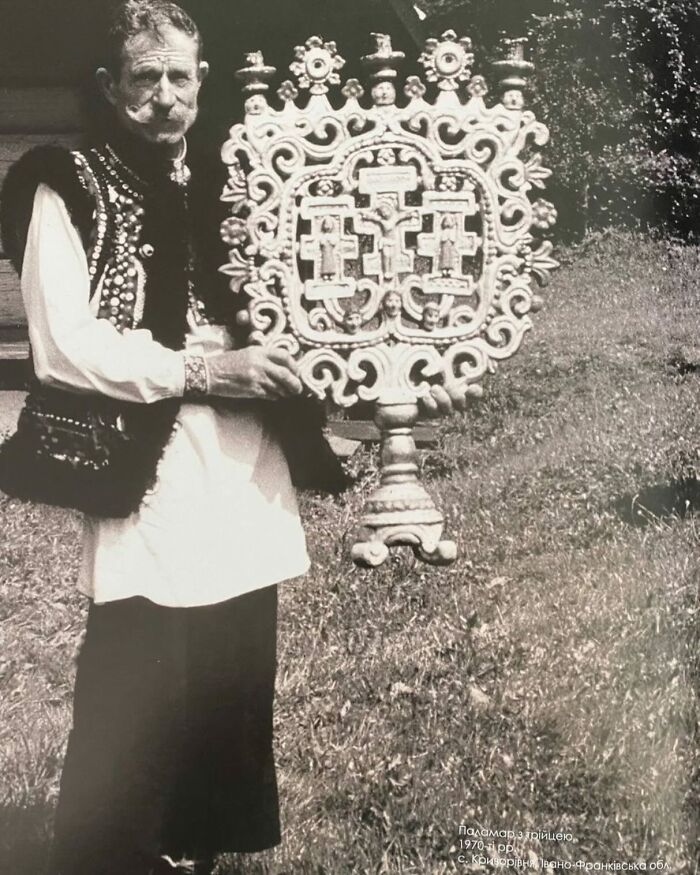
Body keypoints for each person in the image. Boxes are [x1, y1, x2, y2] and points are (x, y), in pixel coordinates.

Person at [0, 3, 459, 873]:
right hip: (149, 463)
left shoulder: (240, 174)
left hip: (247, 461)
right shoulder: (64, 180)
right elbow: (64, 344)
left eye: (180, 76)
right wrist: (207, 372)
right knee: (143, 666)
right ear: (110, 86)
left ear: (204, 80)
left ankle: (201, 845)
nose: (165, 97)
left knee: (232, 669)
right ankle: (109, 850)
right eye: (145, 78)